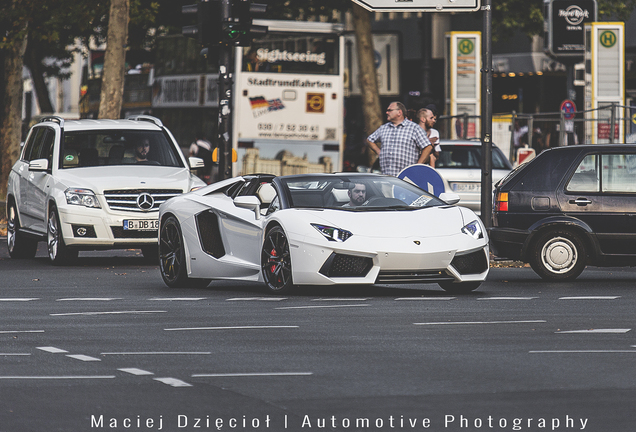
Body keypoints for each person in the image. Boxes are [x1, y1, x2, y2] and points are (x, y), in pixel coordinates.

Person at [366, 101, 432, 176]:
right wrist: (379, 152)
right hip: (386, 178)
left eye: (390, 110)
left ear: (399, 112)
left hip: (406, 179)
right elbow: (370, 140)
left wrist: (417, 166)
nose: (387, 112)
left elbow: (428, 147)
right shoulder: (383, 128)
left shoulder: (414, 128)